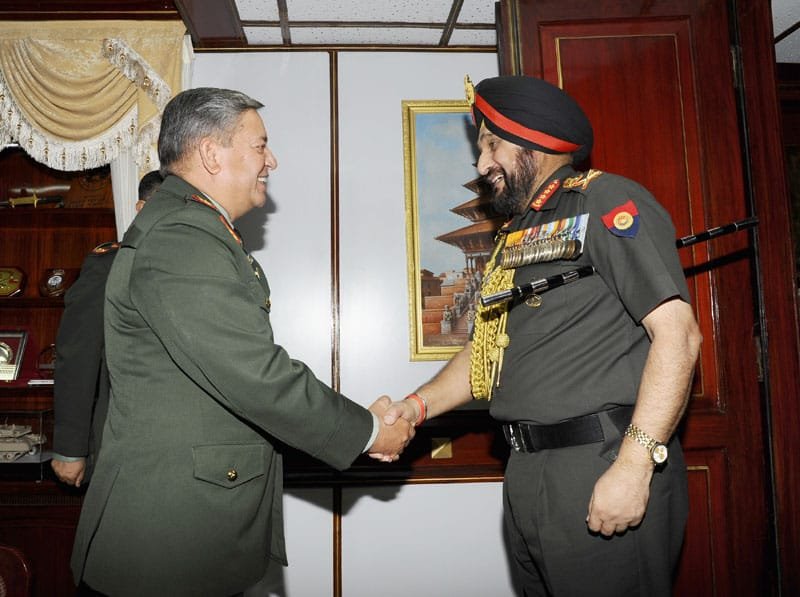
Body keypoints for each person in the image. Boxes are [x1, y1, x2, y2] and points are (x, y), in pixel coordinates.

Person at [70, 87, 413, 597]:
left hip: (187, 529)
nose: (271, 160)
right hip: (169, 539)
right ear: (211, 153)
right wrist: (368, 431)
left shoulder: (190, 229)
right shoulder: (183, 237)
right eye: (259, 145)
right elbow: (254, 375)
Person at [382, 75, 702, 596]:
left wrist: (635, 464)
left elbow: (678, 336)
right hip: (528, 473)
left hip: (601, 463)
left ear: (536, 139)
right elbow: (485, 351)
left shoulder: (605, 200)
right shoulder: (516, 236)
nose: (482, 164)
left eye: (491, 144)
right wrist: (414, 408)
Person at [51, 170, 163, 488]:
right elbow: (77, 357)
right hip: (122, 441)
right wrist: (71, 450)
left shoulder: (194, 268)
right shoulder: (109, 267)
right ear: (142, 209)